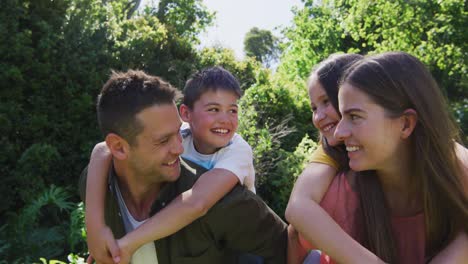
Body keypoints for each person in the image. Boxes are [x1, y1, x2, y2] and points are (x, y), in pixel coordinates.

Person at [80, 70, 287, 264]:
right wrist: (95, 228)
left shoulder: (229, 184)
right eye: (163, 141)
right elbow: (101, 150)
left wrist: (126, 244)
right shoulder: (97, 186)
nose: (179, 148)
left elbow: (197, 202)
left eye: (232, 110)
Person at [287, 52, 468, 263]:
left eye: (354, 116)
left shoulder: (452, 168)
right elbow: (296, 218)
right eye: (314, 107)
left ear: (406, 124)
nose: (338, 132)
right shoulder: (337, 184)